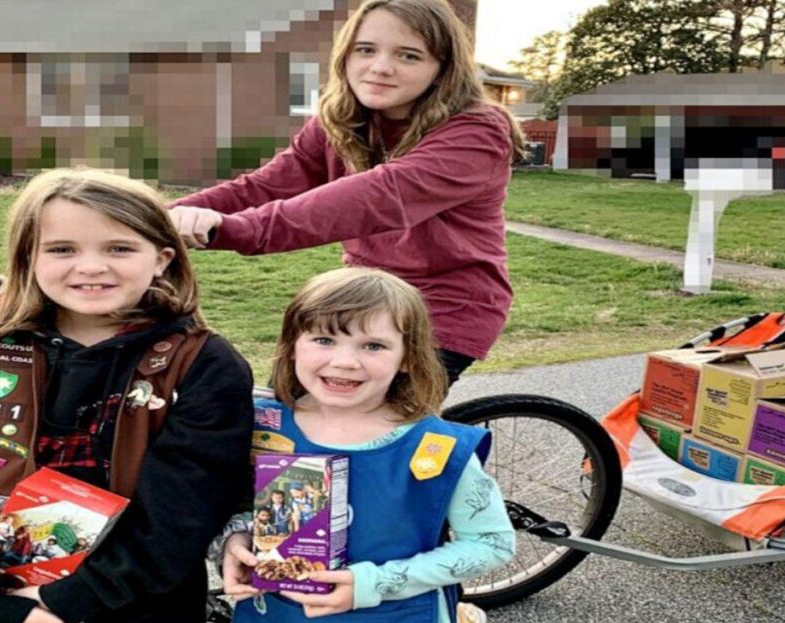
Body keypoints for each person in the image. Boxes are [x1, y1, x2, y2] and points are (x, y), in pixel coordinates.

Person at [0, 168, 254, 623]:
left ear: (162, 259)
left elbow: (182, 512)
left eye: (120, 249)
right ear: (27, 258)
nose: (91, 267)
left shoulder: (202, 366)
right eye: (61, 249)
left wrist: (72, 598)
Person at [168, 0, 525, 385]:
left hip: (445, 305)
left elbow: (376, 195)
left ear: (441, 70)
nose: (380, 67)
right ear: (345, 54)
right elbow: (264, 187)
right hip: (364, 295)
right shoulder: (342, 120)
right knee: (286, 407)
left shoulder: (476, 132)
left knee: (368, 423)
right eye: (366, 49)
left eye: (408, 55)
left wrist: (233, 228)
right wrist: (146, 217)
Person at [219, 267, 515, 623]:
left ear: (409, 357)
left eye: (373, 345)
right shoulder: (264, 428)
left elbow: (492, 544)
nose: (344, 361)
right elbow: (237, 506)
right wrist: (234, 540)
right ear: (291, 346)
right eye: (324, 339)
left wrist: (373, 582)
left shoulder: (436, 448)